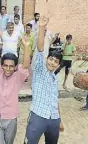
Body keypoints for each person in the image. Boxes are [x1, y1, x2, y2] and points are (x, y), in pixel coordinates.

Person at [24, 15, 64, 144]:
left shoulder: (55, 78)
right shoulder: (40, 70)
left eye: (55, 61)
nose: (52, 63)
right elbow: (40, 49)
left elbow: (55, 99)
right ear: (47, 59)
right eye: (51, 59)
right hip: (38, 116)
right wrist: (41, 27)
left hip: (54, 118)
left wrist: (60, 120)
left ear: (58, 65)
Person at [0, 29, 30, 144]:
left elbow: (26, 64)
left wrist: (26, 46)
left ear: (15, 67)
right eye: (5, 65)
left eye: (11, 66)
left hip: (11, 117)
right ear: (2, 65)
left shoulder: (18, 77)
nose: (8, 69)